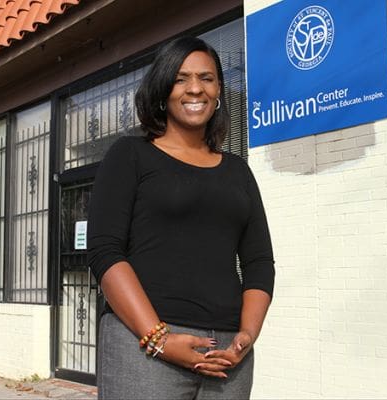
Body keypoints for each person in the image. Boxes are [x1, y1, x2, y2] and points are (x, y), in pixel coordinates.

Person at [87, 36, 275, 400]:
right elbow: (105, 252)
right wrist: (159, 338)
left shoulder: (238, 171)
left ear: (219, 89)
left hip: (226, 356)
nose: (195, 89)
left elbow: (258, 262)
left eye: (206, 78)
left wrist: (246, 337)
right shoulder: (130, 155)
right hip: (144, 347)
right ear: (162, 89)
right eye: (180, 78)